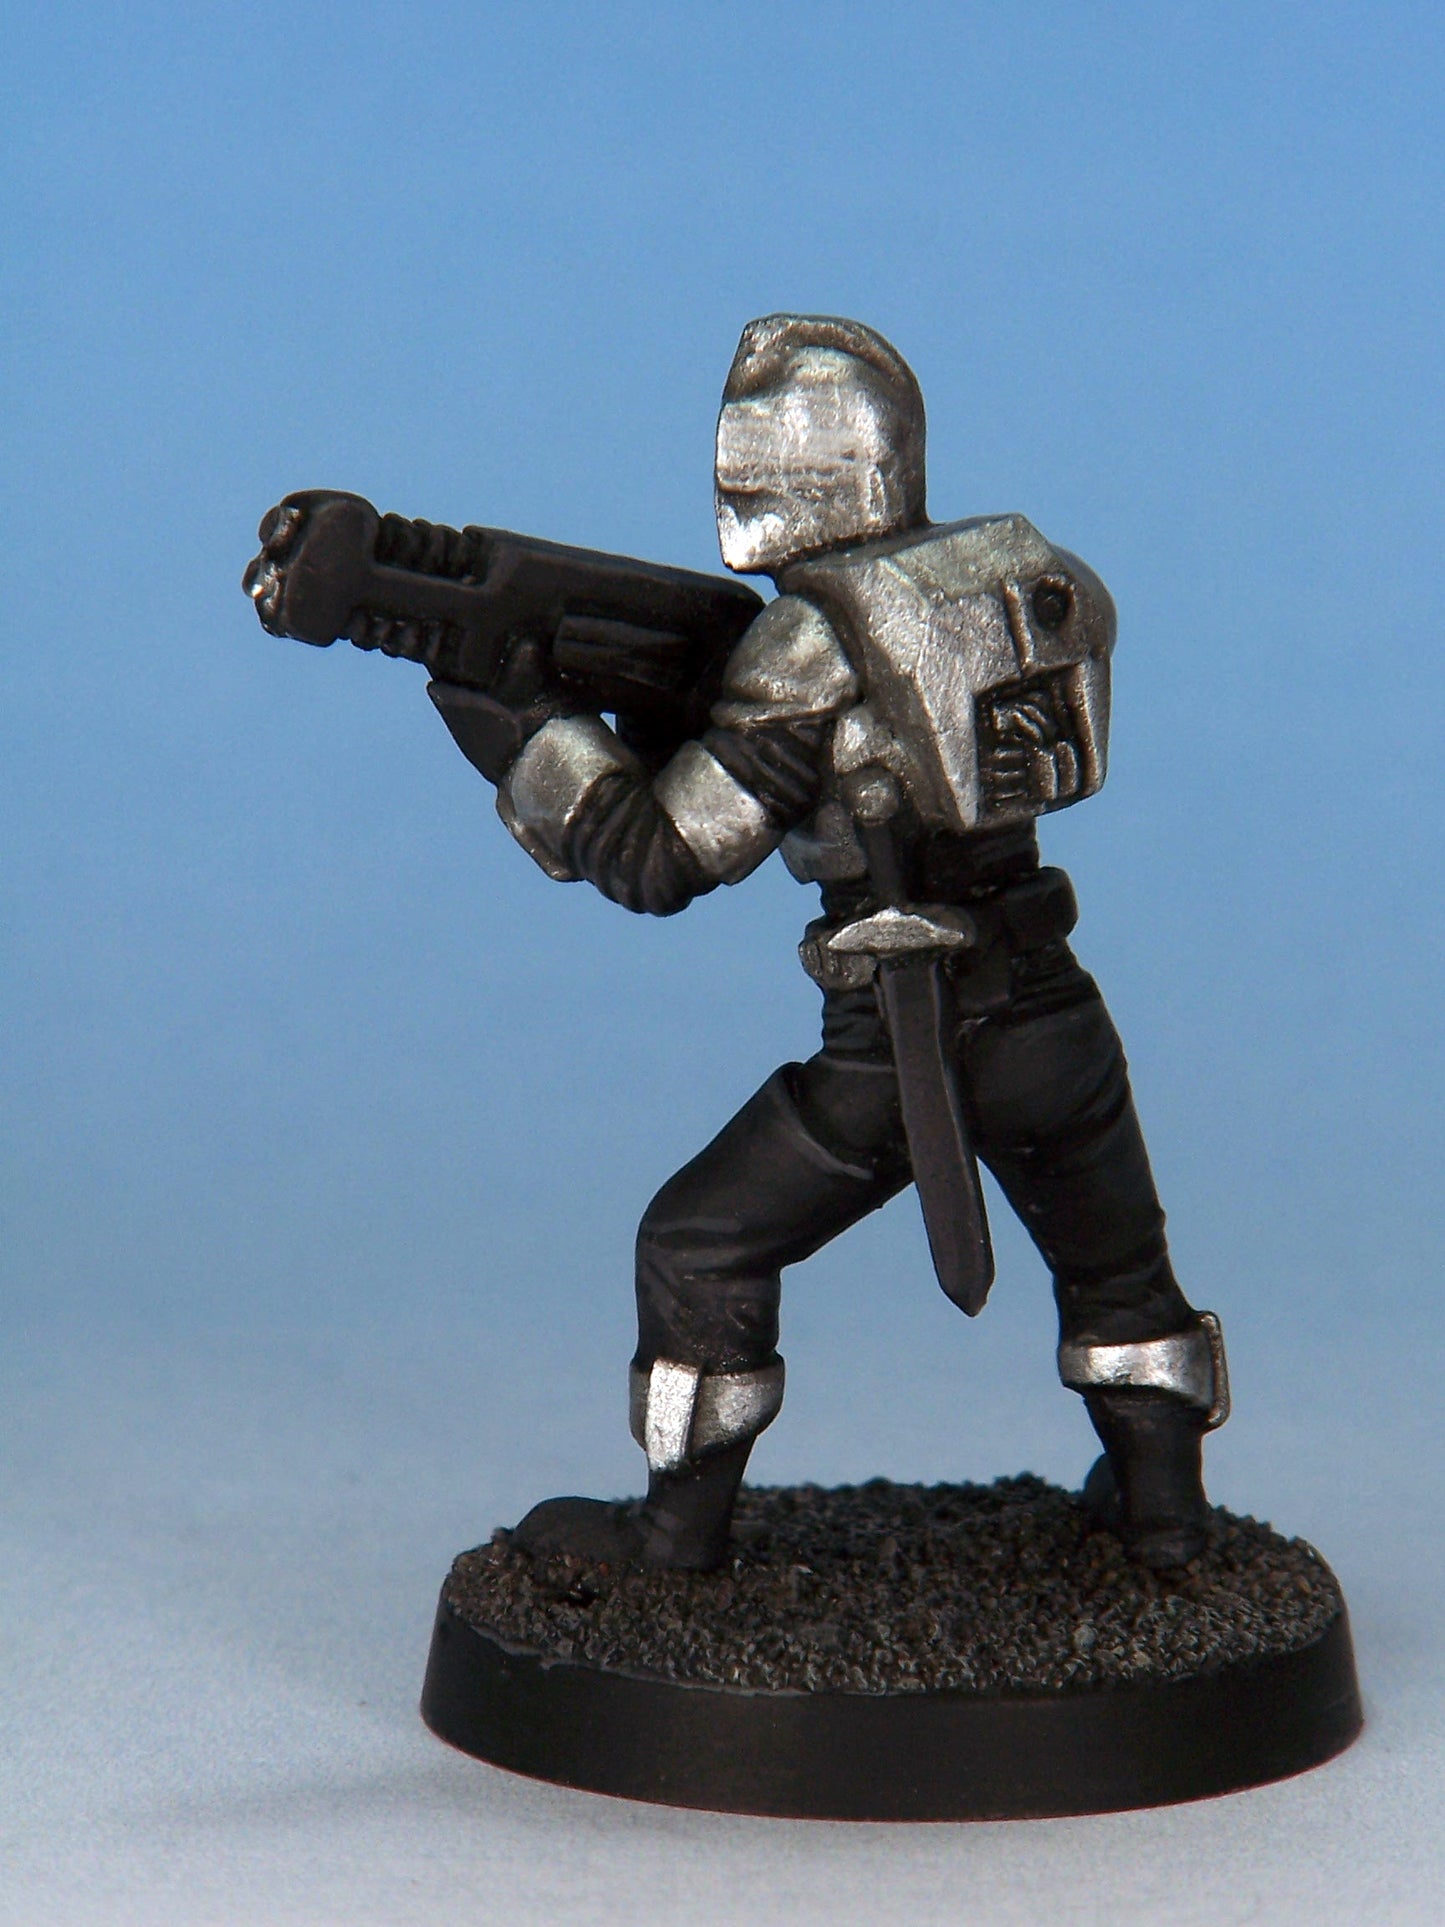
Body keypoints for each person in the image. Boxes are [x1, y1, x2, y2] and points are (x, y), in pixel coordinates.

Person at [429, 313, 1227, 1574]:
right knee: (1118, 1266)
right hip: (1053, 1011)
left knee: (696, 1243)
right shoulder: (1020, 577)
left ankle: (674, 1539)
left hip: (899, 1038)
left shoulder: (809, 640)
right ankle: (1165, 1515)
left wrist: (531, 734)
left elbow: (659, 859)